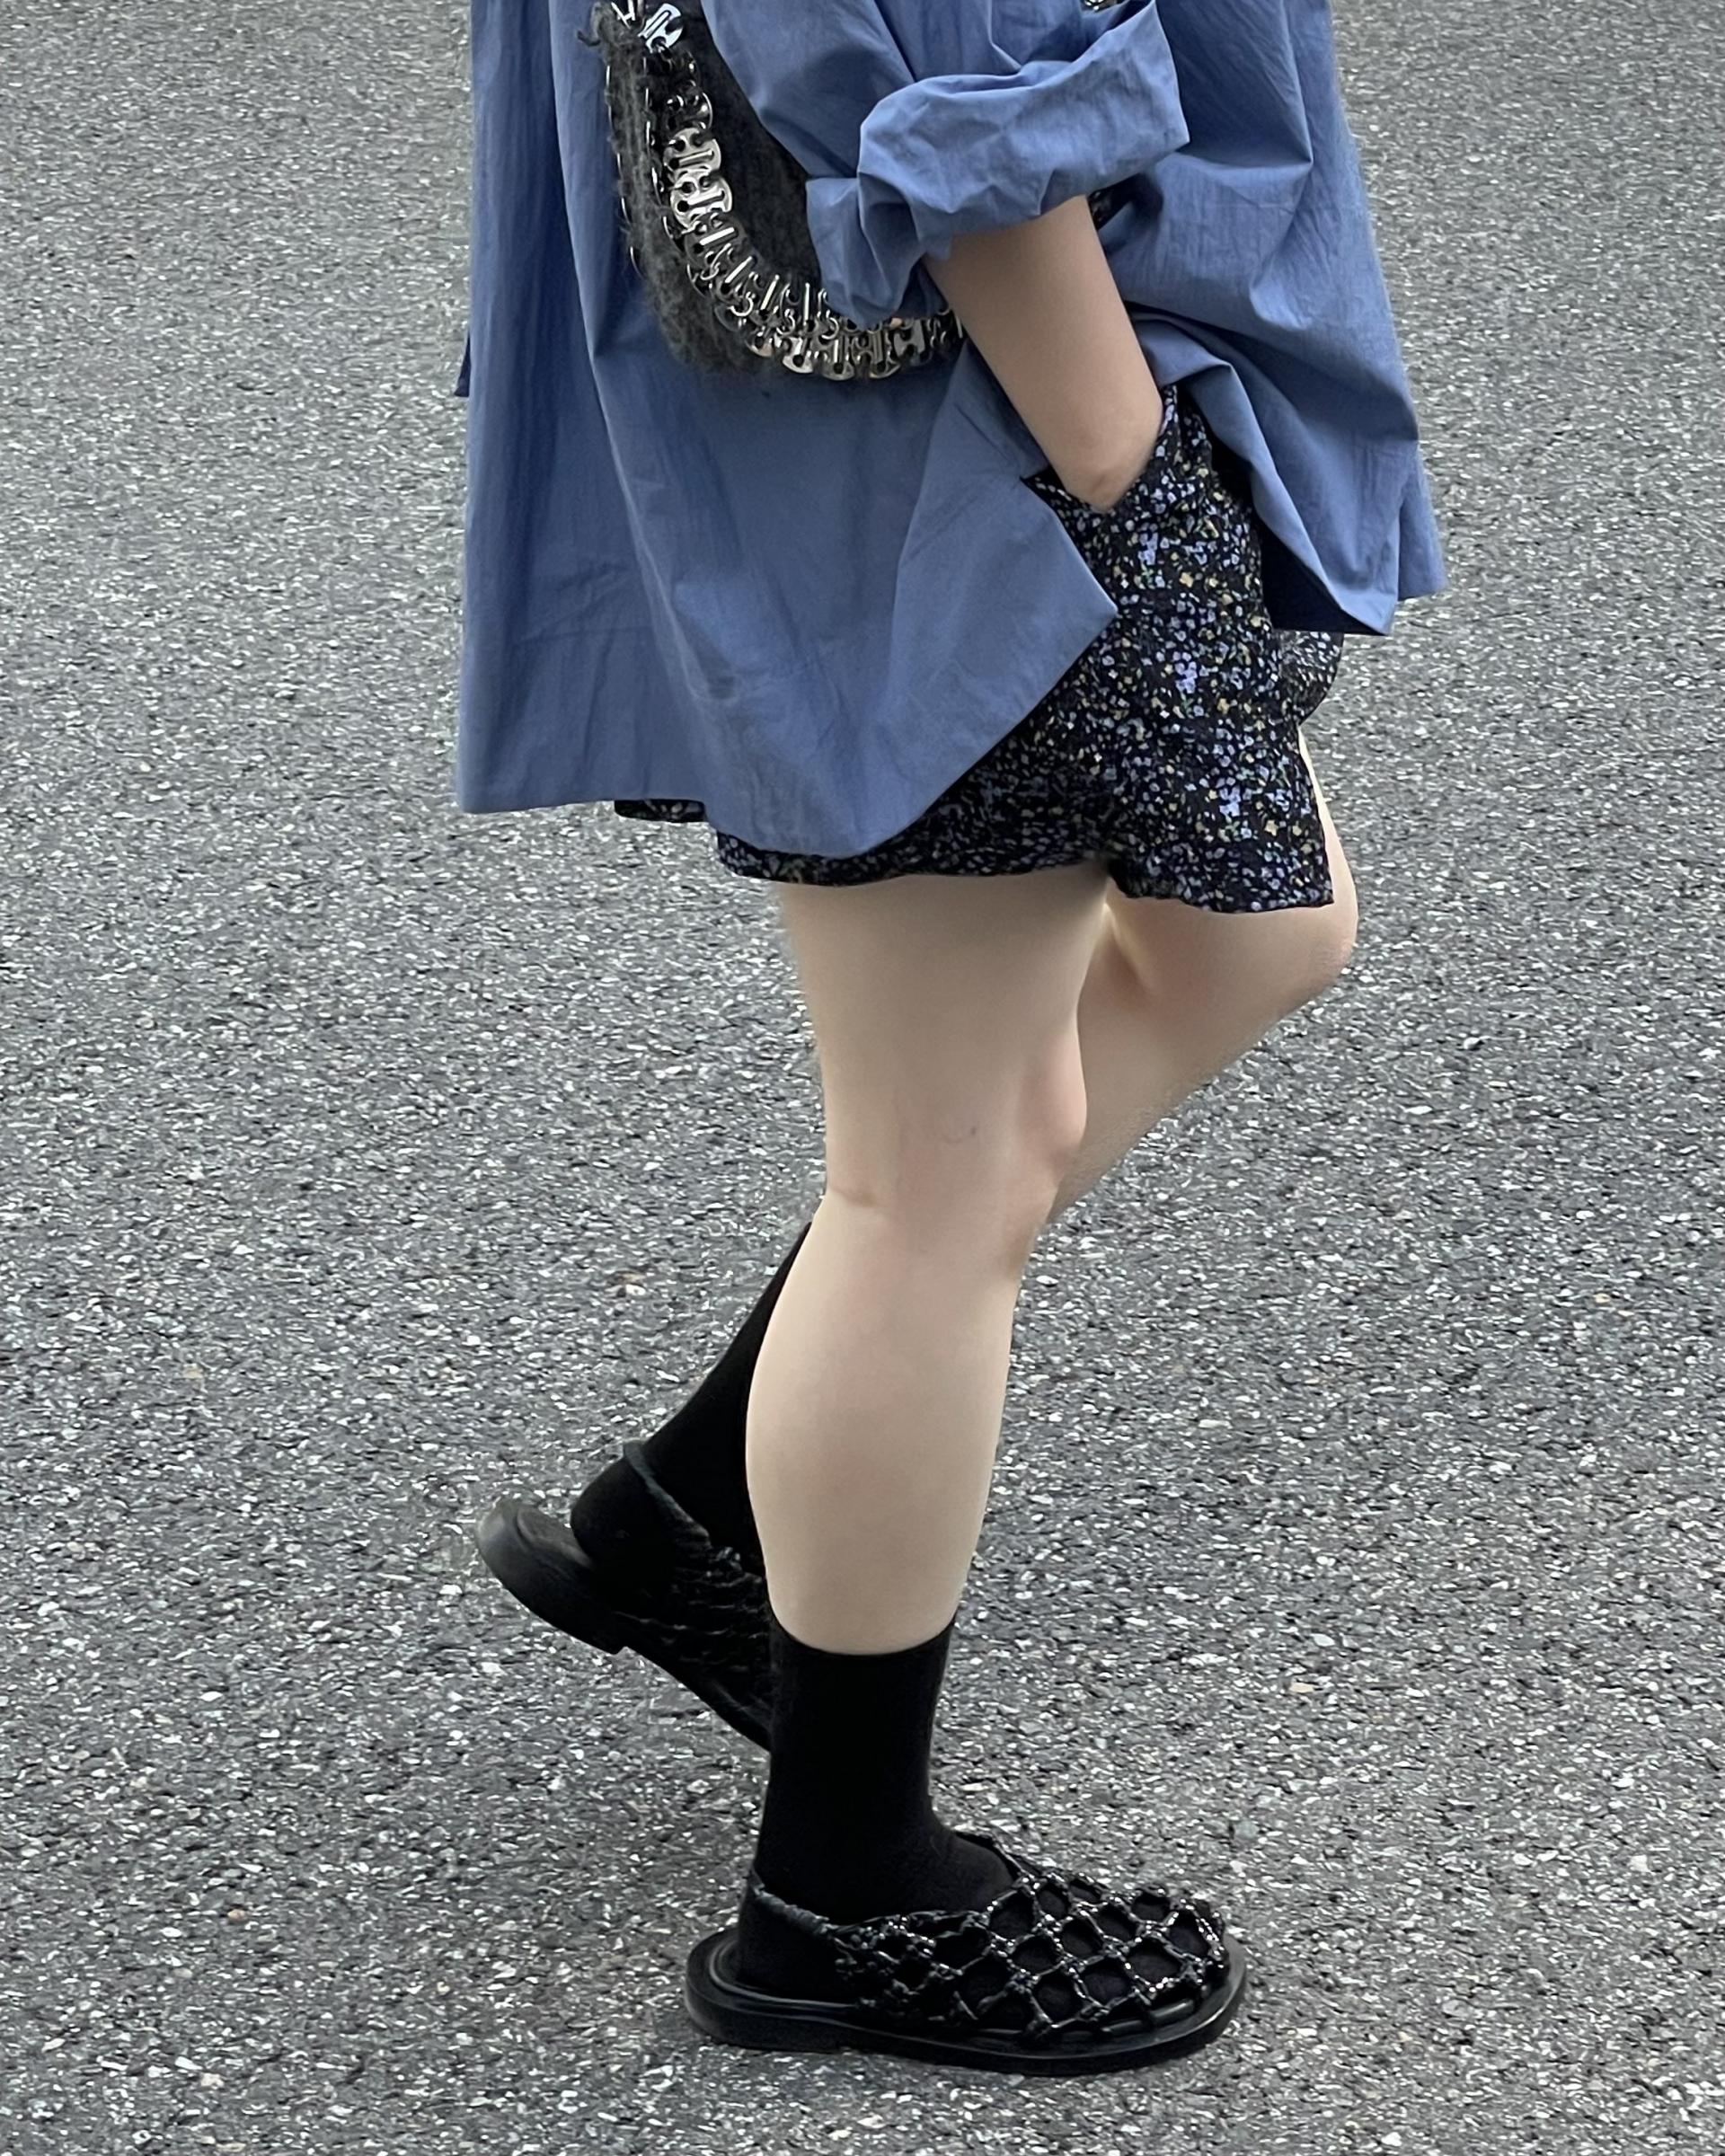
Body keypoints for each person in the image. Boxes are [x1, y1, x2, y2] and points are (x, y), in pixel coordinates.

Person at [456, 0, 1444, 2075]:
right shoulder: (1038, 401)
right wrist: (1119, 458)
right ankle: (844, 1896)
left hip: (961, 378)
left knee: (1260, 938)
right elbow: (924, 71)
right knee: (936, 1174)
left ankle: (701, 1505)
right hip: (961, 417)